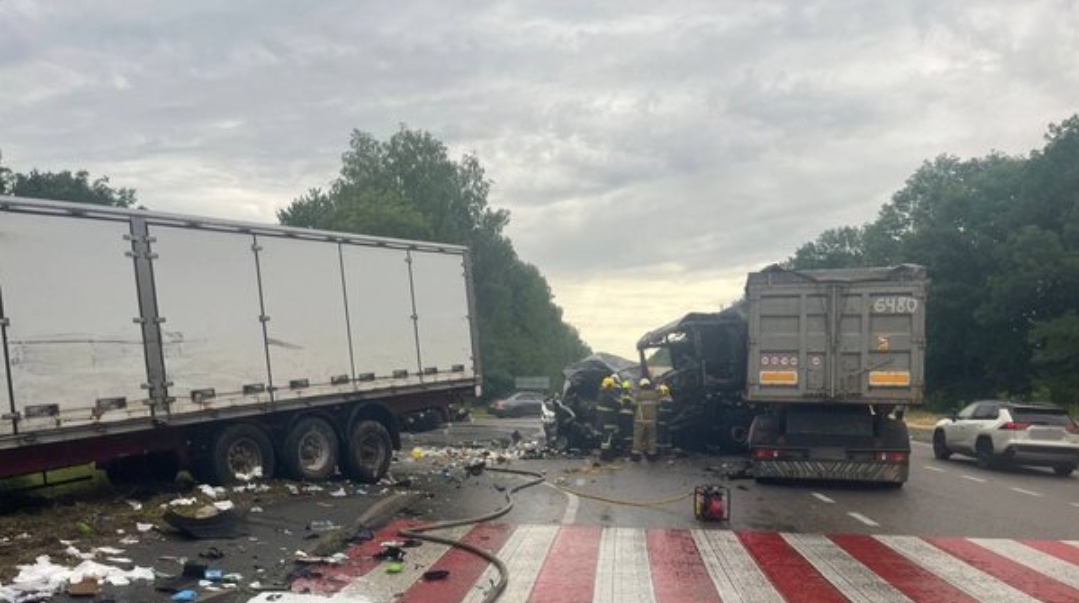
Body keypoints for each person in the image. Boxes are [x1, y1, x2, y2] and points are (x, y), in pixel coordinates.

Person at [631, 377, 659, 461]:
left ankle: (636, 455)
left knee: (637, 438)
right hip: (651, 420)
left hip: (640, 420)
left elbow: (632, 403)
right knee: (651, 438)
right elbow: (658, 404)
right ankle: (652, 455)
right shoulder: (654, 394)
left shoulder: (638, 394)